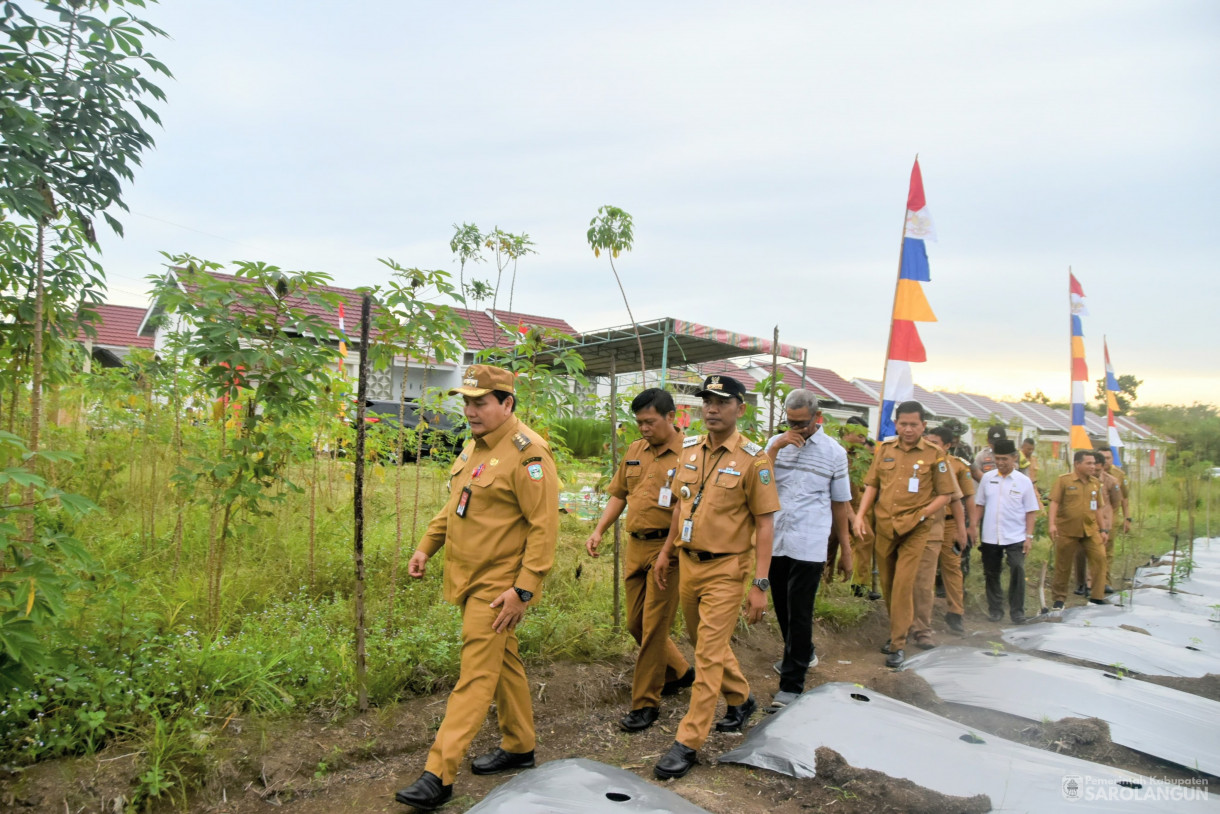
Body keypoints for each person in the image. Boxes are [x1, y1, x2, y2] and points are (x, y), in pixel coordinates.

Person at [395, 365, 559, 810]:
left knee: (475, 676)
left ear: (506, 403)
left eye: (480, 402)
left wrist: (523, 590)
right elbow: (456, 505)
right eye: (466, 401)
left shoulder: (530, 455)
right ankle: (521, 746)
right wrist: (427, 547)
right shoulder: (475, 446)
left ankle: (438, 774)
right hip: (466, 577)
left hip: (497, 587)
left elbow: (545, 528)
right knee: (503, 662)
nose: (470, 410)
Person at [650, 374, 779, 779]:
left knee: (706, 656)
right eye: (707, 400)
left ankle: (688, 741)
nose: (711, 408)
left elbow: (764, 525)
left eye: (721, 402)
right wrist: (667, 551)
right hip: (689, 564)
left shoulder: (754, 460)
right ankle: (741, 697)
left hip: (727, 569)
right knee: (702, 639)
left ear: (740, 408)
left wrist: (759, 584)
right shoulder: (689, 451)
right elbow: (680, 508)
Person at [585, 388, 693, 732]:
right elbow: (620, 495)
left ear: (670, 417)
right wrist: (599, 529)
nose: (644, 428)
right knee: (636, 623)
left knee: (654, 628)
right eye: (639, 422)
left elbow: (683, 509)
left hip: (669, 550)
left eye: (650, 422)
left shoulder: (690, 455)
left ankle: (645, 703)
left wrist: (667, 553)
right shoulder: (634, 451)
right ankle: (680, 672)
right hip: (636, 546)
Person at [764, 390, 853, 707]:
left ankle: (791, 683)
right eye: (790, 422)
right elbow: (759, 481)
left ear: (818, 418)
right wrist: (776, 446)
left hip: (810, 541)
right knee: (783, 608)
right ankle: (804, 653)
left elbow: (840, 504)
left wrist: (846, 548)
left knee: (800, 612)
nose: (796, 428)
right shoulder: (775, 445)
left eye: (802, 423)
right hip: (776, 539)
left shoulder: (834, 453)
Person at [852, 401, 956, 668]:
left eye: (914, 425)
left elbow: (945, 494)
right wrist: (861, 516)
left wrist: (923, 514)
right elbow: (872, 485)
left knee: (903, 584)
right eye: (904, 424)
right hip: (885, 526)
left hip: (915, 529)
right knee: (887, 584)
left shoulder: (935, 454)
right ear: (896, 424)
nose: (908, 429)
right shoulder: (885, 450)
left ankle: (897, 643)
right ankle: (897, 630)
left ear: (923, 426)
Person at [972, 439, 1040, 623]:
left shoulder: (1023, 481)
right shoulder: (987, 478)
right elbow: (980, 505)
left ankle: (1017, 611)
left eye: (1004, 459)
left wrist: (1029, 536)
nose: (1000, 463)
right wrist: (973, 527)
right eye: (997, 459)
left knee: (1017, 568)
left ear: (1014, 458)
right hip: (990, 535)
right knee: (991, 572)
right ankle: (996, 609)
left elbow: (1031, 511)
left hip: (1015, 535)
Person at [916, 427, 970, 638]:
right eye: (927, 440)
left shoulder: (951, 466)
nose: (930, 445)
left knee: (952, 567)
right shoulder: (916, 463)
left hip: (946, 524)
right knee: (922, 575)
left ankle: (955, 612)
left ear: (947, 445)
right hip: (920, 524)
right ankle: (917, 621)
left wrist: (963, 528)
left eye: (934, 442)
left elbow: (961, 499)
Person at [1048, 450, 1108, 610]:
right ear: (1077, 464)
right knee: (1063, 565)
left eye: (1094, 463)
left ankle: (1097, 597)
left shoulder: (1095, 483)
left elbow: (1098, 508)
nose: (1093, 466)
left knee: (1100, 558)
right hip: (1067, 530)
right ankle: (1059, 599)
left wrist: (1103, 529)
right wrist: (1052, 524)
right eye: (1088, 463)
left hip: (1090, 529)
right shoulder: (1064, 481)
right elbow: (1054, 503)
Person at [1074, 450, 1121, 595]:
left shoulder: (1111, 481)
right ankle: (1082, 583)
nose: (1094, 468)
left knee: (1100, 553)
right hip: (1083, 521)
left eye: (1096, 465)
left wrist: (1105, 524)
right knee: (1080, 554)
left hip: (1102, 522)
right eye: (1091, 464)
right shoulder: (1077, 480)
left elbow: (1115, 503)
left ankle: (1095, 584)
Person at [840, 416, 877, 598]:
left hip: (853, 506)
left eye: (865, 434)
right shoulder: (837, 452)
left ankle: (859, 586)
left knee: (865, 537)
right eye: (859, 433)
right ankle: (824, 584)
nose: (863, 438)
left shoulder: (860, 457)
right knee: (829, 547)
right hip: (835, 506)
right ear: (848, 432)